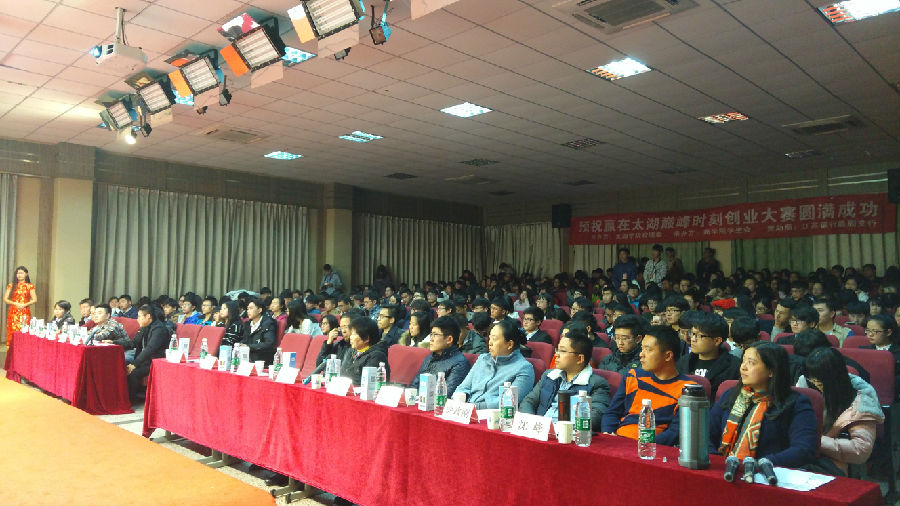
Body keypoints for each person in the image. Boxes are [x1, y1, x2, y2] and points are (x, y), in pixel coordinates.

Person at [709, 342, 818, 468]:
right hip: (724, 469)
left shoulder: (796, 403)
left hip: (768, 472)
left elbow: (804, 449)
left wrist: (760, 464)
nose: (743, 367)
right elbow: (706, 434)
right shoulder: (730, 395)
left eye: (751, 362)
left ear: (771, 371)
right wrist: (715, 461)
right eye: (743, 360)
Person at [600, 325, 695, 445]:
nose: (641, 354)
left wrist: (643, 445)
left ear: (668, 356)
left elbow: (675, 432)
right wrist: (608, 433)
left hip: (652, 448)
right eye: (642, 348)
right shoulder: (633, 376)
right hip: (618, 441)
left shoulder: (688, 389)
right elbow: (612, 412)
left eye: (648, 350)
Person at [798, 347, 884, 475]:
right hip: (802, 448)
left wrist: (815, 440)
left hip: (831, 458)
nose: (814, 383)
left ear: (833, 378)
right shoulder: (805, 384)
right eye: (811, 378)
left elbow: (860, 450)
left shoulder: (860, 403)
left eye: (818, 380)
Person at [520, 328, 610, 427]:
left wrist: (566, 430)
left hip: (568, 433)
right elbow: (529, 401)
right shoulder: (549, 375)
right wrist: (531, 423)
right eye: (557, 350)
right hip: (539, 428)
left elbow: (595, 416)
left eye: (562, 351)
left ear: (579, 358)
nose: (556, 355)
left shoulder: (597, 384)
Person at [455, 319, 535, 409]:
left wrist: (473, 407)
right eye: (489, 338)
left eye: (494, 339)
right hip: (466, 409)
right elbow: (463, 387)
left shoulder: (524, 368)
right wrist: (459, 401)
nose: (490, 343)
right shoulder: (483, 359)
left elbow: (507, 402)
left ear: (510, 344)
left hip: (491, 415)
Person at [677, 312, 741, 397]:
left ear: (717, 341)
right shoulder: (683, 362)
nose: (693, 339)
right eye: (692, 334)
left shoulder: (734, 366)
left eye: (699, 336)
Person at [409, 316, 471, 395]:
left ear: (449, 339)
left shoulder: (460, 363)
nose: (431, 339)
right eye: (431, 334)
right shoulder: (429, 358)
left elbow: (445, 395)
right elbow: (414, 386)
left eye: (435, 335)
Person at [121, 305, 170, 403]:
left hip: (156, 362)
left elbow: (150, 349)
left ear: (148, 316)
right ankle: (123, 397)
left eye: (139, 316)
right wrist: (114, 343)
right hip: (145, 360)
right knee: (122, 365)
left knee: (133, 373)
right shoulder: (145, 327)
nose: (137, 319)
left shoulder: (159, 329)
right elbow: (133, 343)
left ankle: (130, 401)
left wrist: (135, 364)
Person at [339, 317, 390, 385]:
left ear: (366, 338)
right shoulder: (351, 351)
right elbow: (342, 374)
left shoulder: (377, 356)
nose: (351, 337)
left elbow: (363, 381)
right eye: (351, 334)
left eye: (354, 334)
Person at [863, 314, 899, 394]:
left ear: (888, 332)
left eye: (875, 331)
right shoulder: (862, 351)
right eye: (868, 330)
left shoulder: (898, 353)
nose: (870, 334)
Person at [4, 266, 36, 344]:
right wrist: (14, 303)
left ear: (26, 274)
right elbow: (5, 299)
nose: (19, 275)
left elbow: (35, 299)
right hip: (13, 312)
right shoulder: (11, 285)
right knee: (12, 332)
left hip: (24, 311)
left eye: (21, 273)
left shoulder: (30, 286)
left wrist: (25, 304)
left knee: (23, 331)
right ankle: (11, 349)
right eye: (18, 273)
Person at [241, 297, 277, 365]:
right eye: (247, 309)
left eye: (251, 308)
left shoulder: (268, 323)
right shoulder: (247, 324)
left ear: (260, 310)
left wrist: (248, 346)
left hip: (262, 360)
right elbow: (245, 340)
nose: (248, 311)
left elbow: (268, 343)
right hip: (248, 358)